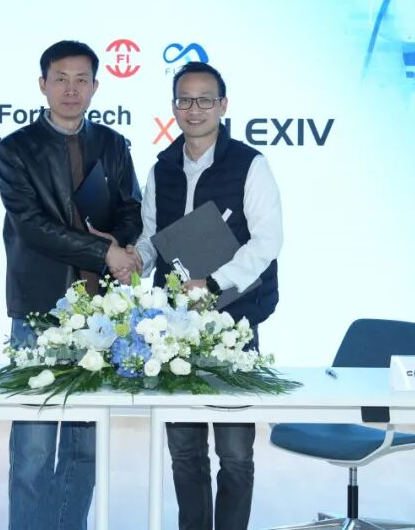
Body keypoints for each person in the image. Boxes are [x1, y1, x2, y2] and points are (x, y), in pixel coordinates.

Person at [0, 40, 142, 530]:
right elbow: (33, 227)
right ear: (43, 85)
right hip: (40, 308)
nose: (71, 89)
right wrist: (103, 253)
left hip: (101, 311)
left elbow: (131, 208)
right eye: (61, 79)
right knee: (33, 448)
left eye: (82, 80)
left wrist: (119, 242)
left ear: (96, 86)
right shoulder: (15, 149)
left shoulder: (113, 144)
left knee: (85, 447)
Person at [133, 61, 283, 530]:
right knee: (184, 452)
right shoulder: (162, 168)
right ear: (173, 107)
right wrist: (134, 259)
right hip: (174, 326)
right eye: (184, 100)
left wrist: (214, 283)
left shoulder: (250, 164)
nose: (193, 109)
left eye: (204, 100)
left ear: (222, 105)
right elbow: (151, 236)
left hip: (232, 322)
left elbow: (267, 241)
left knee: (235, 454)